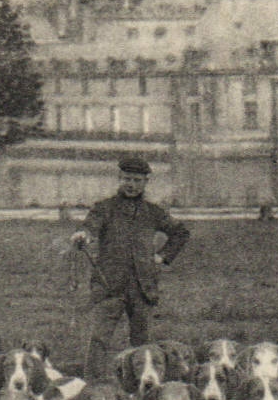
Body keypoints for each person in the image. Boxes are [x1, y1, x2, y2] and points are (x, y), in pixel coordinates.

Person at [72, 156, 190, 382]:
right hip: (110, 286)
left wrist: (161, 257)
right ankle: (91, 384)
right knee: (99, 338)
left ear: (146, 182)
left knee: (142, 343)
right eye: (127, 178)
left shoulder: (154, 212)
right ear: (119, 178)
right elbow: (90, 227)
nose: (131, 184)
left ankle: (143, 386)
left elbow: (181, 233)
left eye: (137, 180)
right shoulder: (104, 209)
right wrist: (83, 235)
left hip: (143, 288)